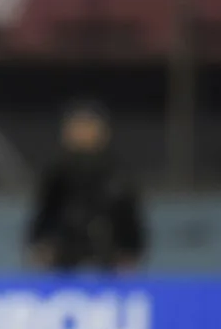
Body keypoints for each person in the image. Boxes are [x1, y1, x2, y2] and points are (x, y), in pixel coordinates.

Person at [26, 103, 147, 271]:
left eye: (88, 127)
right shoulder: (56, 174)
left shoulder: (118, 174)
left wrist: (129, 251)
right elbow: (45, 214)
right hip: (64, 256)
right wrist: (42, 246)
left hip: (109, 257)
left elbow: (130, 218)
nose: (82, 135)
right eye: (77, 128)